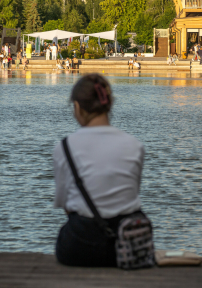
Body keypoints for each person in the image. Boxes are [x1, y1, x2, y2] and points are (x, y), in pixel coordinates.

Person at [53, 74, 150, 267]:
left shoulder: (64, 147)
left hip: (79, 245)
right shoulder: (134, 145)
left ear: (77, 107)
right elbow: (131, 194)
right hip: (127, 242)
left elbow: (65, 204)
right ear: (109, 104)